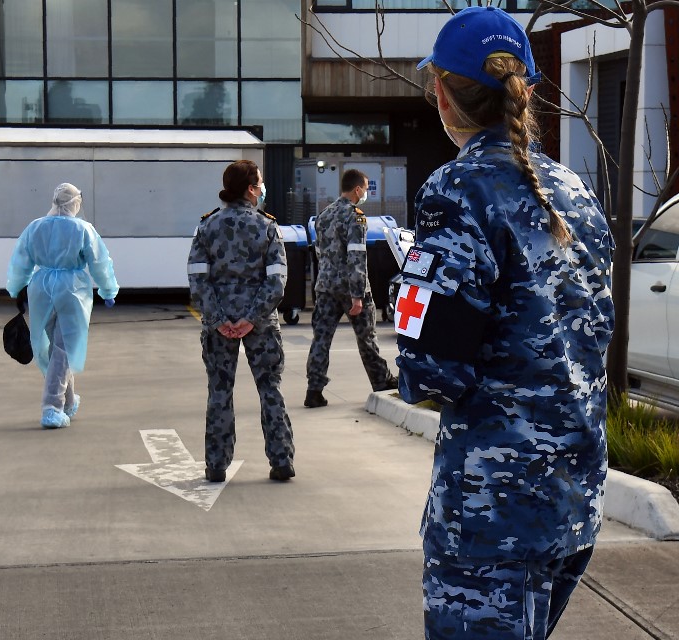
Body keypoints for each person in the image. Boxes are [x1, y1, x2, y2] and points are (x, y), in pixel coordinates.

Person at [395, 7, 615, 639]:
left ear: (441, 91)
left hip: (493, 510)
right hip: (572, 497)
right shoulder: (572, 189)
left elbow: (432, 369)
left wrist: (410, 284)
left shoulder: (456, 190)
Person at [188, 159, 295, 482]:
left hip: (218, 325)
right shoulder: (267, 227)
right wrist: (251, 318)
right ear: (251, 189)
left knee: (219, 391)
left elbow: (197, 279)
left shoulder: (207, 226)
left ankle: (216, 465)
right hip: (261, 325)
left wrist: (220, 319)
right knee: (270, 390)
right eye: (259, 183)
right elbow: (277, 281)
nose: (262, 188)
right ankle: (281, 462)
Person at [6, 183, 119, 429]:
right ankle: (51, 407)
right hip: (73, 290)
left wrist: (16, 287)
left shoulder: (35, 227)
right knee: (65, 348)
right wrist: (108, 289)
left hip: (41, 289)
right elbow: (99, 261)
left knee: (52, 348)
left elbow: (20, 260)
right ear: (75, 202)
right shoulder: (83, 229)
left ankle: (67, 401)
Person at [304, 169, 397, 408]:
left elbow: (319, 252)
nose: (365, 193)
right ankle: (381, 381)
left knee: (321, 340)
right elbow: (357, 257)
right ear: (357, 190)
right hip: (350, 288)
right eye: (365, 188)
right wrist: (357, 295)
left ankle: (314, 390)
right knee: (367, 338)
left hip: (325, 287)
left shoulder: (323, 215)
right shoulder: (355, 216)